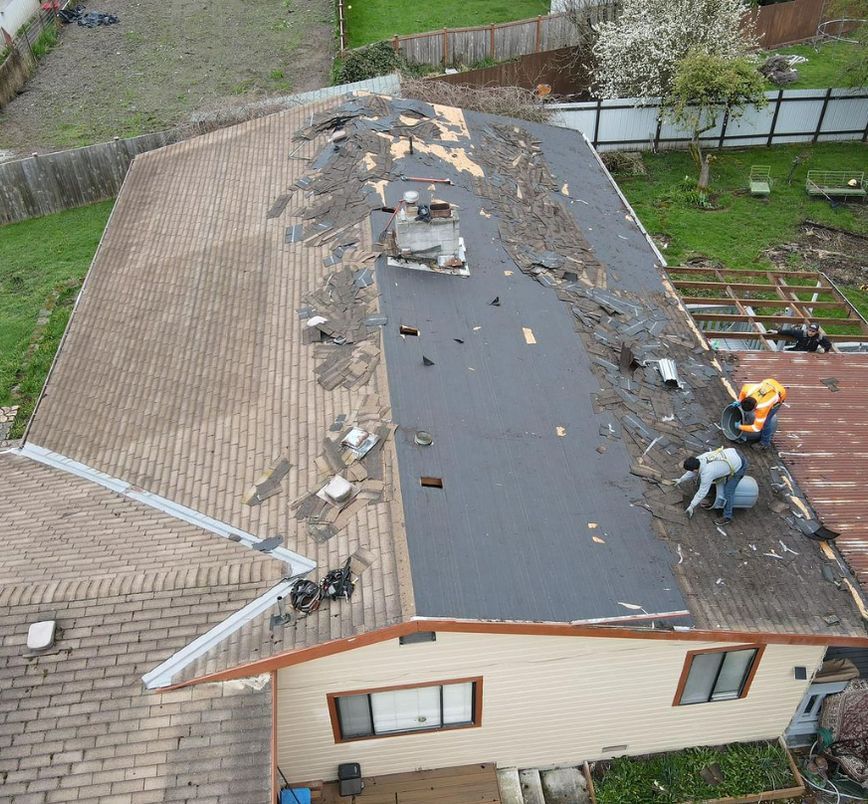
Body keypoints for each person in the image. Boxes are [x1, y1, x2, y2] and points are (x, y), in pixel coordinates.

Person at [675, 447, 748, 526]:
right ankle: (711, 496)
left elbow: (702, 492)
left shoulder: (707, 473)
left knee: (728, 491)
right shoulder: (699, 459)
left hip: (740, 464)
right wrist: (681, 479)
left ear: (695, 469)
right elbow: (692, 472)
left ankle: (727, 517)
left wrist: (691, 506)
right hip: (732, 453)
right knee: (712, 480)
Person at [736, 378, 787, 450]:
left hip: (779, 394)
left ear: (755, 408)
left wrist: (739, 427)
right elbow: (742, 395)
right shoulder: (747, 389)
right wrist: (739, 401)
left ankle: (765, 443)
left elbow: (756, 428)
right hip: (770, 383)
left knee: (766, 422)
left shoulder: (763, 407)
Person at [767, 322, 832, 353]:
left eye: (813, 331)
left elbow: (828, 345)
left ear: (816, 332)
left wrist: (824, 349)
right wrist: (777, 332)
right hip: (797, 351)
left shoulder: (819, 337)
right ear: (807, 329)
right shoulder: (802, 333)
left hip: (809, 354)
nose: (811, 333)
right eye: (809, 330)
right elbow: (790, 332)